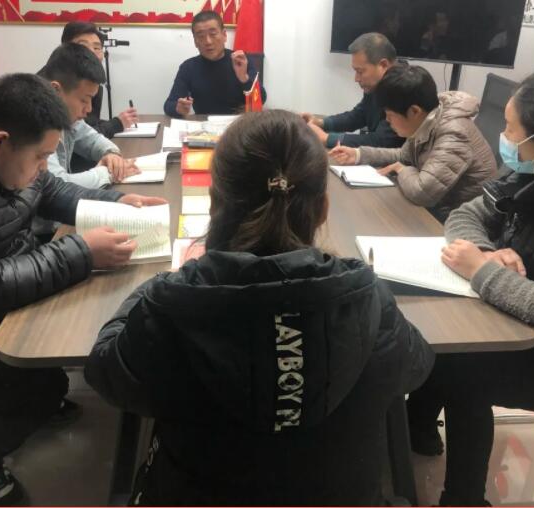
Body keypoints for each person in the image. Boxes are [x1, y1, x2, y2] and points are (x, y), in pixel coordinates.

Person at [84, 110, 434, 505]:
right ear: (322, 209)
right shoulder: (367, 297)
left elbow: (106, 372)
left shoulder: (172, 305)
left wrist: (154, 286)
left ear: (214, 204)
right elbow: (416, 367)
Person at [0, 73, 166, 505]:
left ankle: (34, 394)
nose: (46, 165)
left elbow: (48, 189)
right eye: (42, 156)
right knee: (41, 386)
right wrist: (81, 252)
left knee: (88, 316)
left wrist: (117, 202)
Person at [407, 67, 534, 506]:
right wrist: (486, 252)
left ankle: (463, 499)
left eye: (509, 127)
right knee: (440, 342)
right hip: (533, 334)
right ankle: (415, 433)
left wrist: (482, 273)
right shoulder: (533, 171)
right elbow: (465, 215)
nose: (502, 137)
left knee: (463, 371)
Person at [330, 65, 497, 222]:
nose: (387, 120)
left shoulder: (454, 134)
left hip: (462, 221)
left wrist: (402, 169)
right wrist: (358, 154)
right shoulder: (428, 120)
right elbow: (403, 155)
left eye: (390, 114)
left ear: (414, 111)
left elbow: (421, 192)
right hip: (438, 210)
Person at [39, 43, 139, 189]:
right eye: (84, 100)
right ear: (56, 91)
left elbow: (92, 139)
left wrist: (112, 154)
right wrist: (109, 173)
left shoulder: (67, 118)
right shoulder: (36, 123)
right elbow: (57, 185)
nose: (89, 108)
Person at [301, 32, 404, 149]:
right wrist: (320, 122)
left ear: (383, 65)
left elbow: (382, 141)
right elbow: (358, 116)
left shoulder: (404, 89)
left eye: (360, 71)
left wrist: (327, 138)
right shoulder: (377, 86)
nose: (356, 79)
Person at [163, 10, 267, 118]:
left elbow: (262, 99)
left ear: (224, 35)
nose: (208, 41)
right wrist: (178, 108)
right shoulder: (188, 67)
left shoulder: (241, 60)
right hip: (204, 125)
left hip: (239, 124)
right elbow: (168, 105)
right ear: (195, 41)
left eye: (213, 34)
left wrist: (244, 78)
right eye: (201, 36)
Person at [60, 21, 138, 138]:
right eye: (83, 46)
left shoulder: (91, 82)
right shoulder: (55, 84)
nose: (91, 52)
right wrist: (116, 123)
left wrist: (119, 121)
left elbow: (89, 124)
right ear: (65, 48)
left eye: (97, 47)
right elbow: (76, 138)